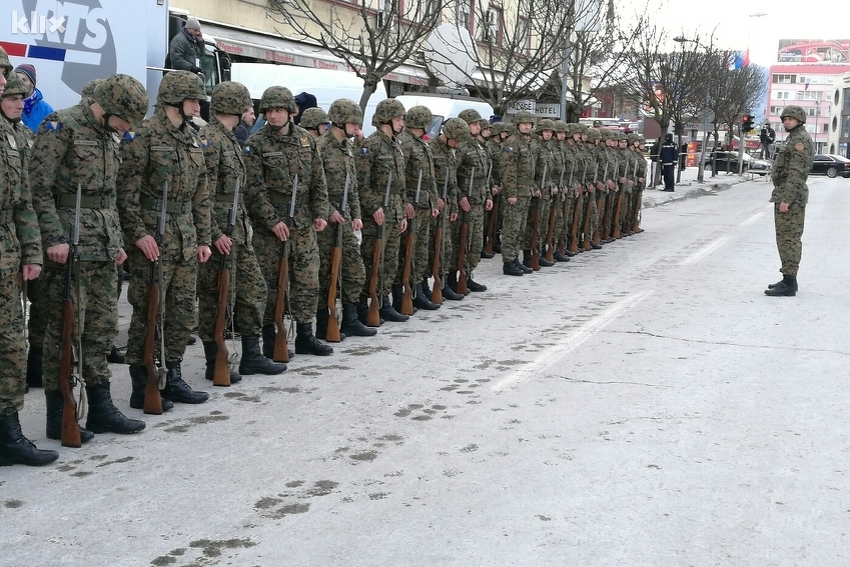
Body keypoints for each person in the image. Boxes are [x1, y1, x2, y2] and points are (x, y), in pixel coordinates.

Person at [30, 74, 149, 440]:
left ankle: (100, 407)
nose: (128, 127)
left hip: (103, 246)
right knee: (63, 331)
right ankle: (59, 414)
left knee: (100, 329)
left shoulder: (108, 135)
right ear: (109, 107)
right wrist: (53, 237)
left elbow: (110, 194)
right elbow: (38, 186)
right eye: (125, 119)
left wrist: (117, 241)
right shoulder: (60, 126)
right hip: (69, 246)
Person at [118, 70, 212, 409]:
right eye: (193, 98)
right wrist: (138, 234)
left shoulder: (193, 137)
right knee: (148, 310)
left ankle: (171, 374)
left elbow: (201, 193)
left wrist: (203, 237)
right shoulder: (143, 134)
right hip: (154, 236)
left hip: (185, 235)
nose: (198, 104)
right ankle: (142, 380)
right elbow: (125, 192)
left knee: (182, 311)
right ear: (175, 99)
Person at [197, 81, 286, 381]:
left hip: (239, 229)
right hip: (221, 230)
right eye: (247, 105)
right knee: (216, 296)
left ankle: (252, 355)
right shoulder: (210, 138)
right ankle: (215, 361)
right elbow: (203, 192)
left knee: (253, 290)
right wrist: (212, 232)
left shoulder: (231, 138)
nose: (252, 111)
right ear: (233, 106)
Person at [0, 48, 59, 466]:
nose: (8, 88)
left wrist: (31, 251)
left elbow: (23, 200)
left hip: (6, 252)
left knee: (10, 346)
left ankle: (8, 435)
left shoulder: (13, 133)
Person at [244, 86, 333, 356]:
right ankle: (271, 338)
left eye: (278, 110)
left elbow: (319, 181)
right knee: (272, 284)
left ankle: (305, 334)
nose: (273, 115)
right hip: (271, 227)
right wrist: (271, 220)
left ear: (290, 113)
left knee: (307, 279)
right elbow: (253, 189)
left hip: (303, 222)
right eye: (269, 111)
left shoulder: (306, 140)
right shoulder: (256, 143)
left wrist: (320, 212)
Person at [314, 99, 377, 339]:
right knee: (324, 274)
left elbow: (352, 188)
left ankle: (350, 318)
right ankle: (323, 323)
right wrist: (329, 210)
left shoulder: (347, 149)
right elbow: (315, 186)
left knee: (354, 270)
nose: (355, 126)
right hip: (326, 219)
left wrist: (356, 214)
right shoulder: (320, 147)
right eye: (352, 121)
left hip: (346, 217)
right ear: (340, 121)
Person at [354, 99, 409, 324]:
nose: (401, 123)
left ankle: (383, 301)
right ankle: (362, 304)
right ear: (385, 119)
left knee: (390, 260)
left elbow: (400, 183)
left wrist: (403, 211)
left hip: (394, 210)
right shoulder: (372, 145)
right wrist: (373, 206)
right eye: (398, 119)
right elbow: (361, 182)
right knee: (371, 259)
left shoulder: (395, 145)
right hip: (377, 211)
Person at [765, 106, 813, 297]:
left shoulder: (800, 140)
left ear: (799, 120)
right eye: (784, 118)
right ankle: (787, 278)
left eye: (790, 119)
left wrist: (787, 199)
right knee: (784, 239)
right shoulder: (793, 138)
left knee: (789, 239)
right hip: (784, 193)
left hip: (790, 196)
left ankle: (790, 282)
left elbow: (797, 173)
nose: (786, 121)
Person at [397, 105, 441, 311]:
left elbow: (429, 177)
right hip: (413, 203)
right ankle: (410, 290)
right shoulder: (405, 144)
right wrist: (405, 202)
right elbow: (400, 177)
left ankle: (420, 286)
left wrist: (433, 201)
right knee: (411, 250)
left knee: (421, 249)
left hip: (424, 202)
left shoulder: (421, 144)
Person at [499, 110, 536, 276]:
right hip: (515, 193)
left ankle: (515, 259)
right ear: (517, 125)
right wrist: (511, 193)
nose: (527, 126)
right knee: (511, 228)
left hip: (525, 192)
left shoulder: (525, 142)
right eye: (524, 123)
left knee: (520, 228)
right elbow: (508, 171)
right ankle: (508, 262)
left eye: (529, 124)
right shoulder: (512, 143)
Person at [14, 64, 53, 134]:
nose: (19, 82)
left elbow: (53, 135)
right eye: (16, 78)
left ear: (32, 84)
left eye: (23, 80)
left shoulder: (47, 110)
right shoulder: (5, 104)